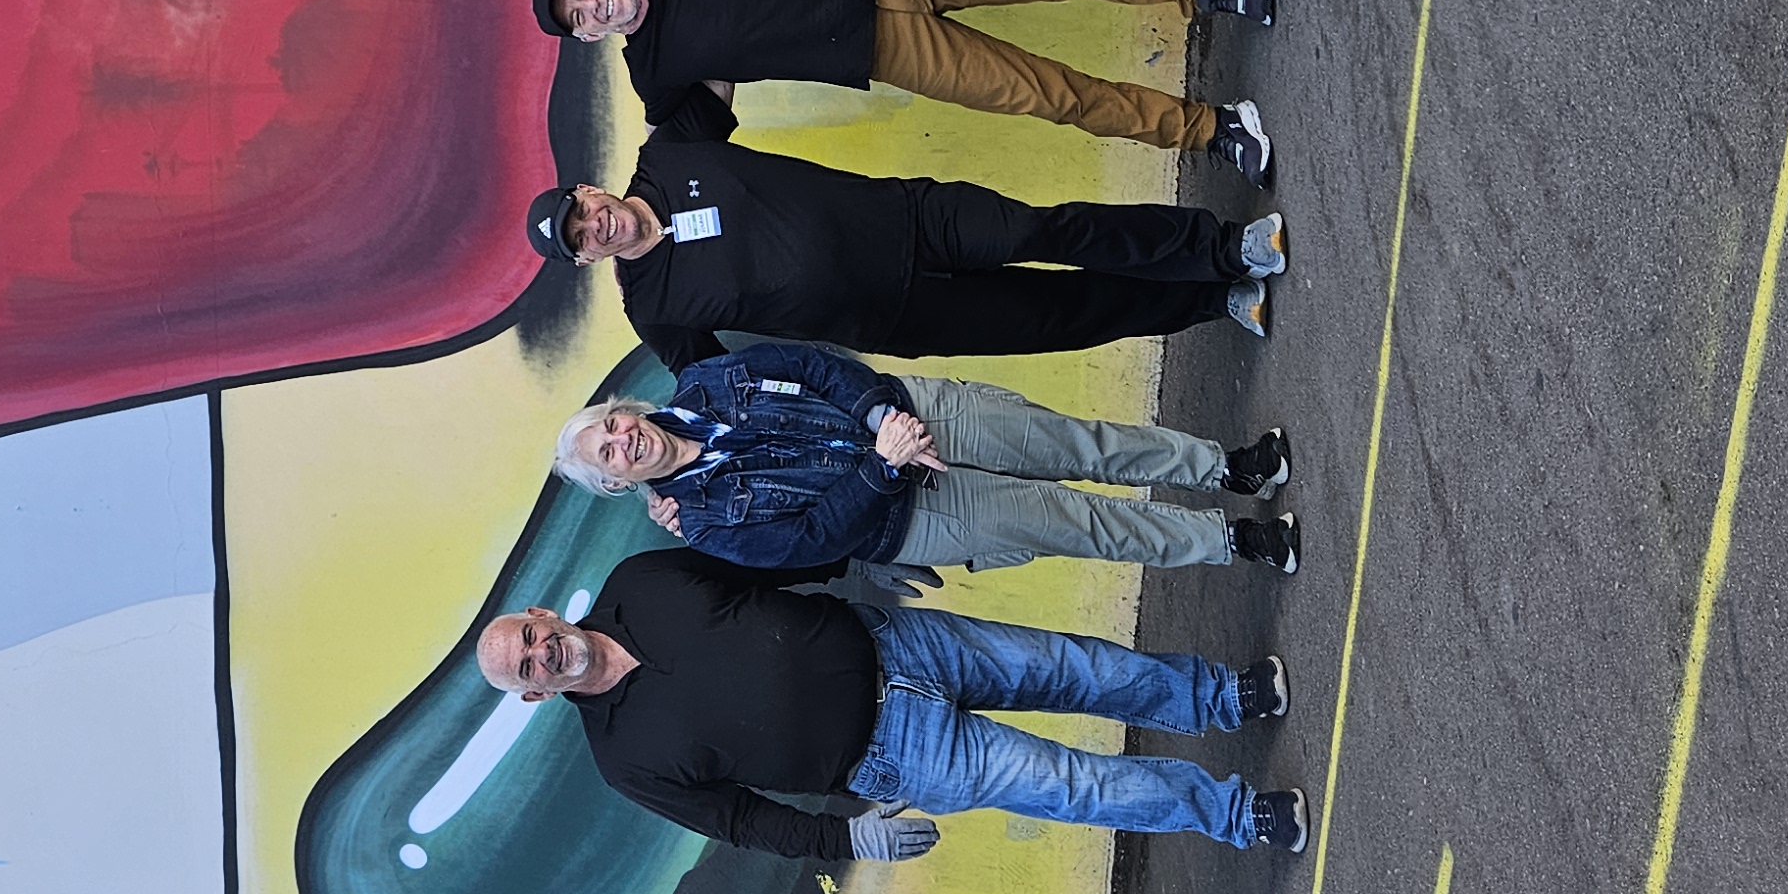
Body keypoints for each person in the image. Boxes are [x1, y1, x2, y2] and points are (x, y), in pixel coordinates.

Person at [476, 550, 1307, 858]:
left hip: (899, 644)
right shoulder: (625, 764)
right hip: (896, 755)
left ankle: (1220, 696)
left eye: (533, 634)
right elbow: (740, 822)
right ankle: (1238, 818)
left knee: (1077, 666)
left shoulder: (639, 582)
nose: (543, 652)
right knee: (1075, 786)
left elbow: (762, 567)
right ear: (535, 693)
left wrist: (861, 557)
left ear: (544, 614)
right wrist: (847, 838)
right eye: (530, 667)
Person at [525, 99, 1289, 368]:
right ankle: (1209, 302)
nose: (595, 226)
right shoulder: (651, 306)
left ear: (591, 189)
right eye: (581, 239)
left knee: (1045, 230)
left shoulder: (668, 151)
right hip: (895, 318)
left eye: (583, 210)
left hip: (910, 218)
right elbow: (710, 386)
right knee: (1056, 319)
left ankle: (1223, 248)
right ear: (589, 258)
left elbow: (718, 50)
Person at [534, 0, 1280, 171]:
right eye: (581, 17)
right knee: (1051, 97)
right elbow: (695, 139)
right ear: (591, 37)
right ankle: (1210, 133)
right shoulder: (653, 71)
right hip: (882, 54)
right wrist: (721, 66)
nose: (593, 5)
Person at [552, 340, 1301, 577]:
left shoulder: (705, 381)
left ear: (626, 410)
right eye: (608, 455)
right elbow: (811, 543)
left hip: (917, 412)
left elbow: (813, 366)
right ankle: (1236, 542)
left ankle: (1228, 468)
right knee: (1080, 525)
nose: (623, 440)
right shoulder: (708, 522)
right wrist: (882, 466)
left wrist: (883, 416)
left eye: (611, 424)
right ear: (618, 483)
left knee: (1083, 443)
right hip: (913, 517)